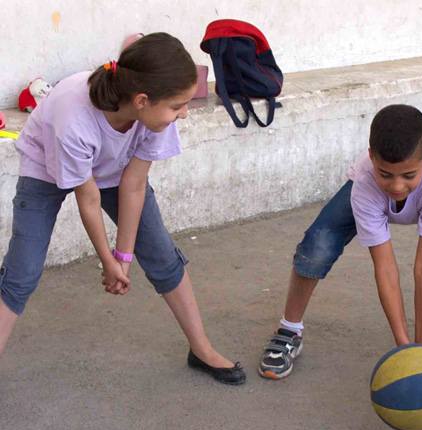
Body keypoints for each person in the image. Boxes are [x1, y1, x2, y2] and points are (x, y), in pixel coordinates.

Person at [0, 33, 245, 385]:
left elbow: (133, 184)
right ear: (142, 100)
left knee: (162, 254)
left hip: (116, 169)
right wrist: (107, 260)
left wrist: (124, 258)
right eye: (178, 106)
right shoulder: (76, 116)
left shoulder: (156, 116)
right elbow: (88, 198)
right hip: (46, 167)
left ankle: (202, 349)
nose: (185, 114)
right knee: (22, 272)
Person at [259, 104, 422, 378]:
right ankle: (289, 329)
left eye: (408, 175)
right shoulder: (367, 180)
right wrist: (404, 347)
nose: (397, 186)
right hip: (370, 192)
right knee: (315, 248)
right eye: (386, 173)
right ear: (371, 158)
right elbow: (386, 267)